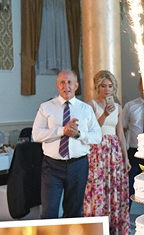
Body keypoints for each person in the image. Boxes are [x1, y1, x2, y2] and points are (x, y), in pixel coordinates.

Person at [32, 70, 101, 219]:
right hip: (52, 166)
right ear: (57, 85)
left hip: (78, 165)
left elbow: (97, 137)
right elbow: (36, 135)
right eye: (62, 82)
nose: (66, 86)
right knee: (49, 211)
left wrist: (78, 134)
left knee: (74, 212)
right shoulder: (46, 107)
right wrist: (62, 131)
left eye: (70, 82)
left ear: (76, 86)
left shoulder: (86, 109)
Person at [82, 70, 131, 235]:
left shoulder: (118, 107)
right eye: (103, 86)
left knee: (114, 188)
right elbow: (90, 130)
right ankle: (96, 231)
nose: (107, 89)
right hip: (97, 149)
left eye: (110, 86)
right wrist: (104, 115)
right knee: (97, 188)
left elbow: (121, 134)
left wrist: (126, 158)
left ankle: (114, 230)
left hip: (114, 150)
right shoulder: (90, 105)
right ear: (97, 87)